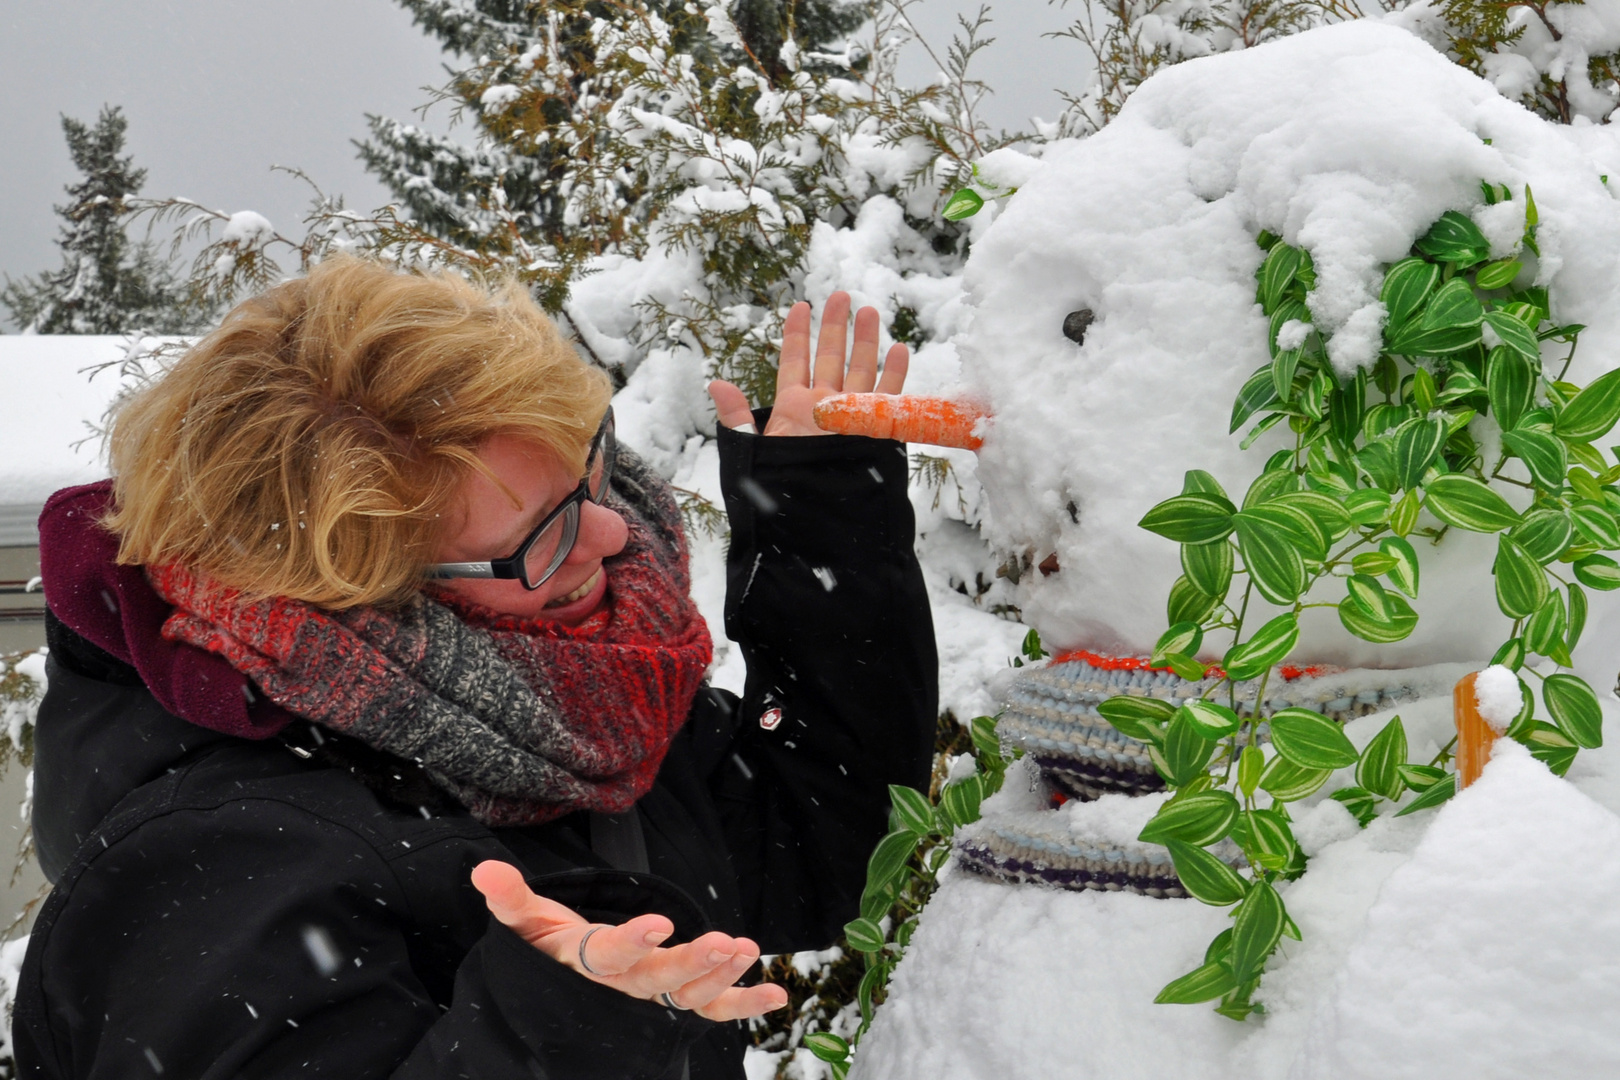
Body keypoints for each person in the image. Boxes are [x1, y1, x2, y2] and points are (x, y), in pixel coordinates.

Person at [13, 257, 936, 1078]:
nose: (613, 536)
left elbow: (816, 846)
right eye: (540, 540)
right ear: (364, 600)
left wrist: (824, 519)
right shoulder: (211, 872)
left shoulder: (567, 707)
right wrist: (556, 1029)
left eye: (589, 476)